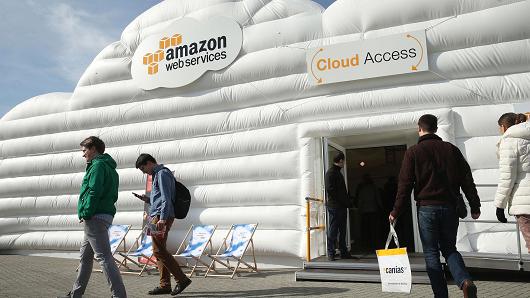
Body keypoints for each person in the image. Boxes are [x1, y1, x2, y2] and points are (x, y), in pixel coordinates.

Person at [388, 114, 481, 298]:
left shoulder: (413, 152)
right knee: (449, 248)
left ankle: (441, 295)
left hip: (426, 208)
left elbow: (405, 186)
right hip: (449, 208)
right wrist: (475, 205)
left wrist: (396, 211)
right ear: (436, 129)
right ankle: (465, 281)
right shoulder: (451, 150)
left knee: (431, 253)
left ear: (419, 128)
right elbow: (466, 179)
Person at [58, 136, 126, 298]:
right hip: (104, 215)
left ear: (93, 149)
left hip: (94, 216)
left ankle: (119, 295)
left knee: (104, 258)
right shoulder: (110, 168)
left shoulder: (97, 166)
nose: (83, 155)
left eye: (84, 150)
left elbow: (93, 192)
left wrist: (86, 212)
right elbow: (112, 195)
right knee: (85, 258)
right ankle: (76, 293)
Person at [135, 154, 192, 296]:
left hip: (160, 217)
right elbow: (161, 198)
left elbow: (167, 198)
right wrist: (148, 199)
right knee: (158, 249)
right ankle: (165, 285)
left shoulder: (162, 173)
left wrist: (163, 218)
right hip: (157, 216)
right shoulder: (157, 174)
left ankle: (182, 279)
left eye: (143, 168)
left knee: (158, 250)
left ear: (149, 163)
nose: (144, 172)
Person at [494, 112, 530, 253]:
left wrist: (499, 205)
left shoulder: (509, 141)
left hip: (525, 204)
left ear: (503, 127)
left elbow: (507, 177)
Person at [325, 152, 354, 261]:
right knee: (333, 230)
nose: (344, 163)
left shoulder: (336, 172)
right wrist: (344, 201)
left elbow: (340, 191)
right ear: (341, 161)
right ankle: (331, 252)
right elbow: (330, 190)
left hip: (340, 206)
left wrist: (347, 202)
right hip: (335, 206)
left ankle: (343, 252)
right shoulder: (331, 173)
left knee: (342, 230)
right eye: (344, 161)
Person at [356, 174, 382, 252]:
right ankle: (375, 244)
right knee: (374, 229)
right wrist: (381, 208)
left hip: (365, 211)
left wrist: (359, 210)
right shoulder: (374, 188)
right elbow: (378, 199)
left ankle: (366, 244)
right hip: (373, 210)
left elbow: (360, 201)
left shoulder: (362, 190)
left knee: (366, 229)